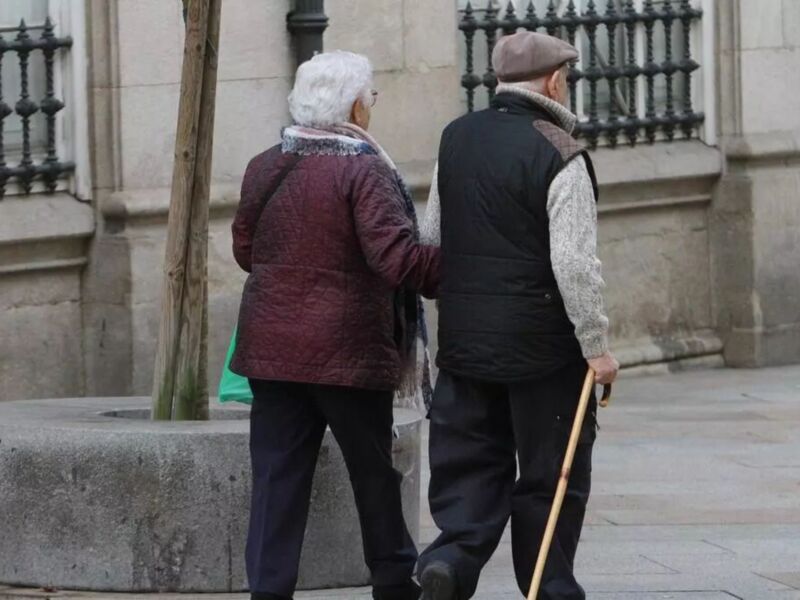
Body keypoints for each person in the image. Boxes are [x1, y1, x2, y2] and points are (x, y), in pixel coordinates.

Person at [416, 32, 619, 600]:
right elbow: (574, 264)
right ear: (554, 81)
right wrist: (596, 346)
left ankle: (452, 562)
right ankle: (548, 586)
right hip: (543, 350)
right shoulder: (560, 151)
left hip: (464, 342)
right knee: (550, 477)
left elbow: (431, 237)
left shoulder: (456, 138)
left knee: (470, 465)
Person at [230, 50, 439, 600]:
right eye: (370, 96)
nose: (371, 106)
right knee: (372, 471)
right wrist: (466, 267)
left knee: (276, 478)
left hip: (272, 352)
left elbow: (246, 250)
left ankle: (269, 590)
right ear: (353, 105)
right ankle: (394, 580)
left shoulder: (265, 163)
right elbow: (397, 259)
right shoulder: (363, 168)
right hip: (347, 353)